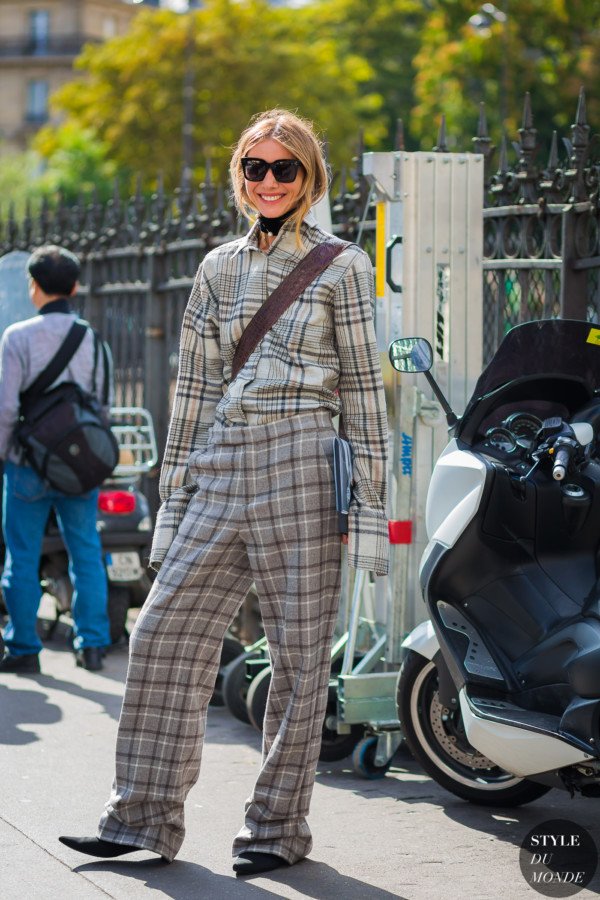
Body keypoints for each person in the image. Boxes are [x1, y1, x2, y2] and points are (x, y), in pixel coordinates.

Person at [59, 109, 389, 875]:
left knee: (301, 658)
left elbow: (368, 395)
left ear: (310, 179)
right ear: (238, 175)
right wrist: (173, 498)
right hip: (222, 459)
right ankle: (139, 819)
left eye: (285, 169)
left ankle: (275, 831)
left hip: (304, 459)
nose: (268, 182)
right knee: (162, 633)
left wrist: (370, 509)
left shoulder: (340, 265)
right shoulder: (215, 267)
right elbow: (197, 388)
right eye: (255, 168)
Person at [0, 245, 112, 674]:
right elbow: (102, 407)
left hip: (26, 462)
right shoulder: (93, 340)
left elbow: (7, 408)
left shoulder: (17, 337)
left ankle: (25, 648)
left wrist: (7, 452)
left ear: (33, 287)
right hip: (79, 466)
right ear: (75, 286)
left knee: (22, 555)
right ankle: (93, 645)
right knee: (86, 550)